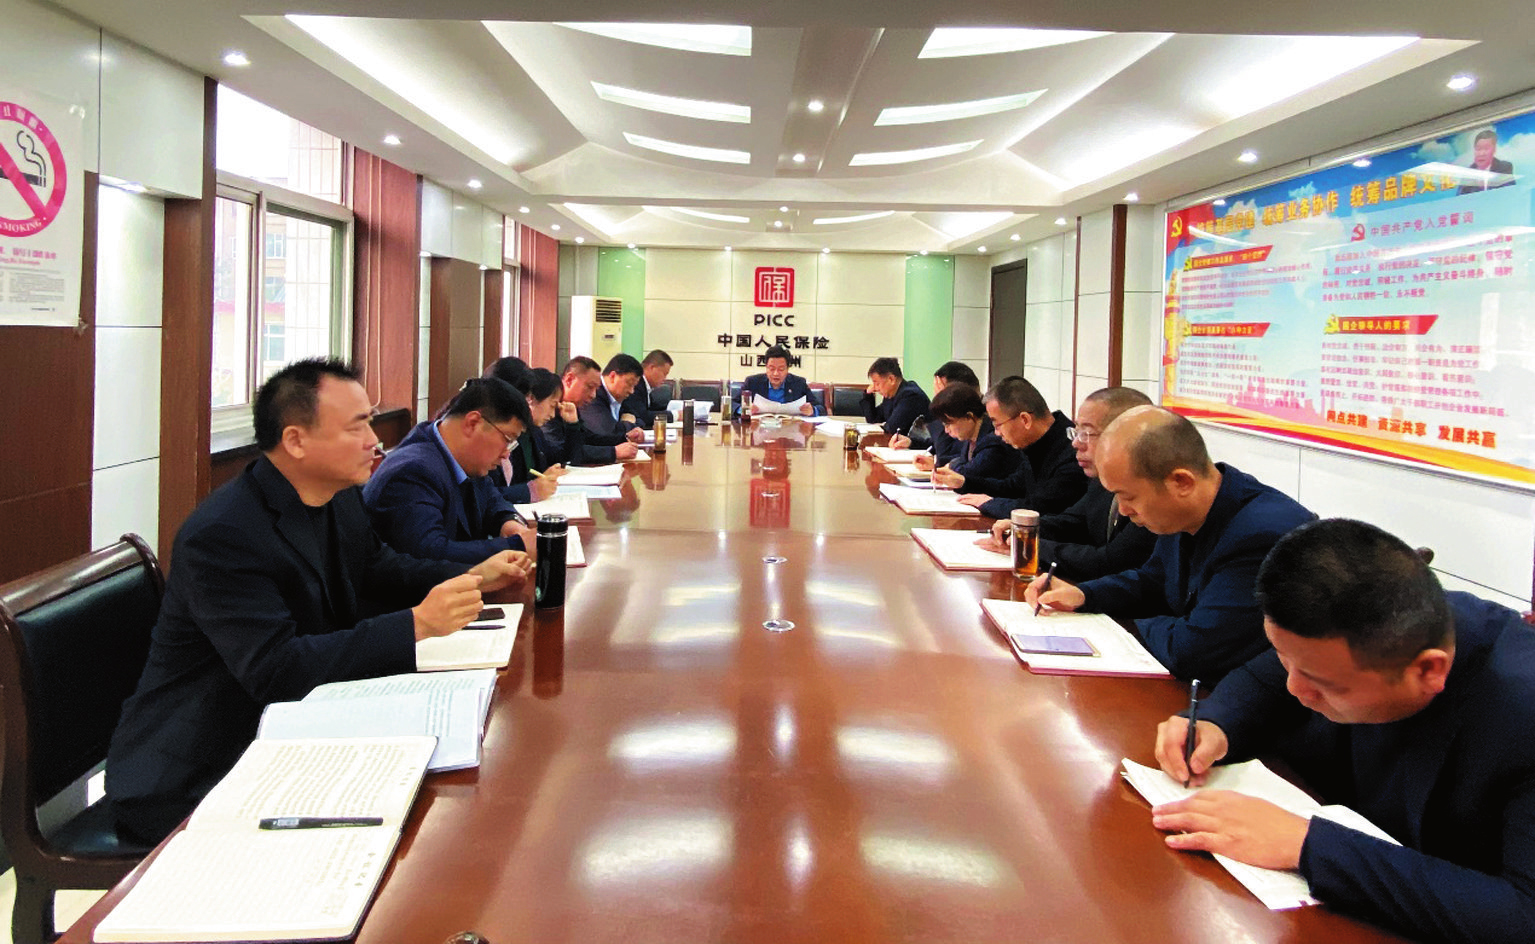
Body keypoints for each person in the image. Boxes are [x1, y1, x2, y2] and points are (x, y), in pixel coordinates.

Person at [106, 358, 532, 842]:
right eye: (357, 426)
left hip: (297, 724)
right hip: (204, 763)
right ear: (295, 440)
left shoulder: (338, 496)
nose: (375, 441)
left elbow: (380, 567)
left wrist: (471, 573)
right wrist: (415, 624)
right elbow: (276, 669)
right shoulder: (224, 534)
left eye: (371, 421)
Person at [1149, 518, 1535, 944]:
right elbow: (1267, 678)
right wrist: (1216, 722)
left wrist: (1305, 845)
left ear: (1428, 670)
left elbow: (1523, 914)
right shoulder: (1355, 632)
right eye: (1284, 658)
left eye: (1322, 683)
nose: (1294, 688)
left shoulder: (1520, 708)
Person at [1027, 406, 1314, 683]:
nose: (1123, 510)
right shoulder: (1182, 512)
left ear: (1181, 482)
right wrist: (1084, 595)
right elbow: (1152, 580)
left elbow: (1193, 651)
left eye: (1128, 497)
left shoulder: (1261, 536)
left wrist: (1129, 625)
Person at [979, 386, 1157, 582]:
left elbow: (1110, 562)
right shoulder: (1100, 481)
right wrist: (1024, 530)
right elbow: (1073, 521)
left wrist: (1029, 545)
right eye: (1076, 432)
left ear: (1128, 439)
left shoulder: (1154, 492)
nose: (1075, 444)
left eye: (1086, 433)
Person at [363, 377, 539, 565]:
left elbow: (492, 499)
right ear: (473, 423)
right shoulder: (412, 472)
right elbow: (431, 553)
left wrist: (509, 522)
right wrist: (516, 545)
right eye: (508, 439)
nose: (506, 454)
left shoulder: (468, 459)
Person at [932, 375, 1086, 517]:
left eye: (998, 425)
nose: (996, 433)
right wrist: (965, 483)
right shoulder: (1036, 443)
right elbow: (1011, 487)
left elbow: (1041, 508)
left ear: (1025, 420)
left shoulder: (1071, 452)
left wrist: (989, 503)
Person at [485, 363, 567, 504]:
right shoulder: (488, 438)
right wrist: (530, 491)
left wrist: (573, 426)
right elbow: (483, 497)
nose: (506, 453)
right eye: (526, 399)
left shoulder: (531, 432)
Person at [543, 356, 640, 464]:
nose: (593, 395)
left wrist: (625, 437)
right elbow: (562, 452)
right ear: (569, 380)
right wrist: (614, 452)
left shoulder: (572, 405)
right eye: (590, 387)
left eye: (596, 389)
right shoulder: (548, 405)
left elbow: (587, 438)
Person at [890, 360, 982, 469]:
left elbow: (944, 451)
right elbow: (938, 444)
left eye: (942, 394)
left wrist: (937, 463)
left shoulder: (980, 419)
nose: (937, 399)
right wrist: (911, 443)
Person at [924, 383, 1018, 482]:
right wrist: (937, 463)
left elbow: (970, 472)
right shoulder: (972, 435)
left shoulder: (993, 440)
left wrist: (950, 466)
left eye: (949, 424)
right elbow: (963, 460)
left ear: (969, 417)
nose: (946, 430)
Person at [579, 353, 647, 439]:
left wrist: (628, 425)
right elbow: (607, 431)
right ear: (613, 376)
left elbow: (640, 420)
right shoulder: (594, 394)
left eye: (634, 386)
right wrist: (629, 424)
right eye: (629, 384)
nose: (631, 391)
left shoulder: (620, 396)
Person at [738, 344, 822, 416]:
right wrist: (744, 410)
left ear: (787, 369)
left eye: (781, 369)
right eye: (771, 369)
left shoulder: (799, 383)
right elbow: (734, 404)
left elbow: (821, 408)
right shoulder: (752, 382)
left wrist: (812, 410)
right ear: (766, 367)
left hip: (790, 428)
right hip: (759, 427)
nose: (776, 373)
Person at [860, 356, 930, 437]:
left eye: (877, 383)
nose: (875, 388)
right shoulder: (892, 394)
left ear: (891, 379)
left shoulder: (910, 396)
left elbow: (892, 428)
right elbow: (873, 419)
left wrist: (885, 426)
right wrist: (868, 395)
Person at [622, 349, 674, 426]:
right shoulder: (636, 385)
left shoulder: (645, 386)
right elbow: (643, 416)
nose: (665, 378)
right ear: (652, 367)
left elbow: (651, 410)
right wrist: (674, 415)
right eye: (664, 373)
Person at [1457, 127, 1515, 193]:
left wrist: (1485, 183)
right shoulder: (1467, 174)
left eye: (1486, 149)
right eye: (1478, 149)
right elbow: (1460, 197)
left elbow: (1509, 191)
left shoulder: (1504, 167)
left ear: (1494, 150)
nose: (1481, 153)